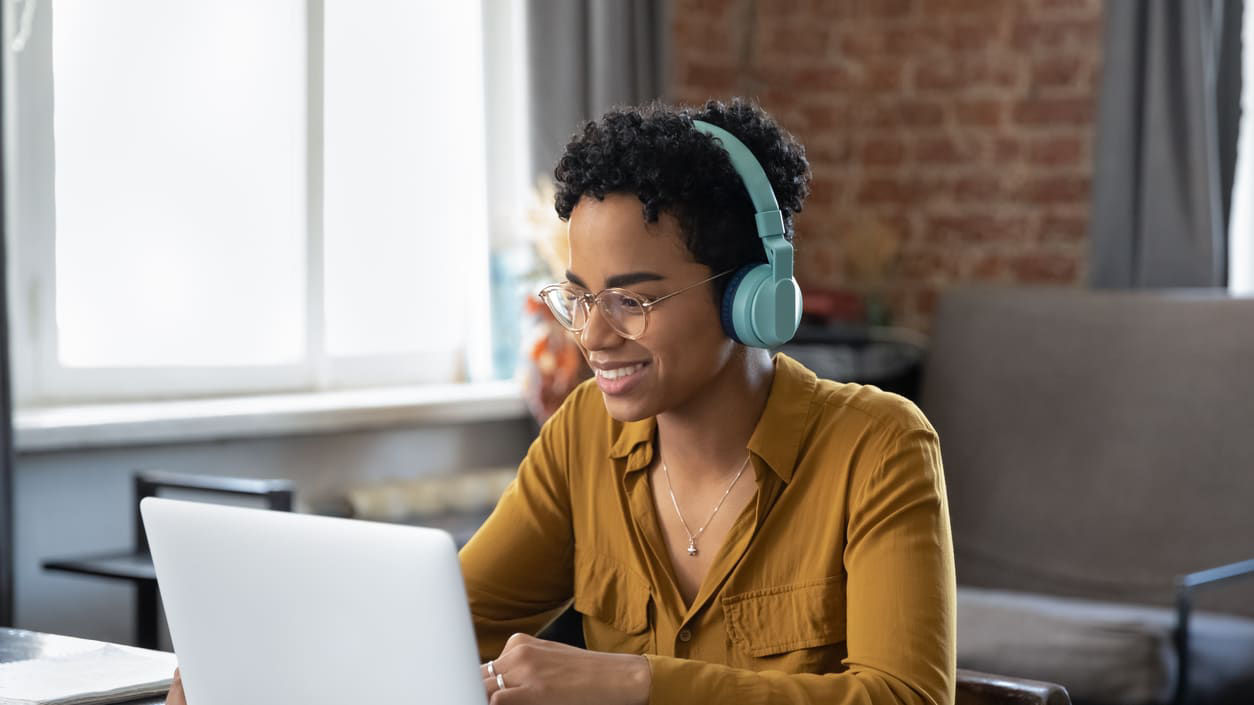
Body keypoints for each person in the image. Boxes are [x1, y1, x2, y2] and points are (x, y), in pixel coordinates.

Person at [163, 98, 955, 705]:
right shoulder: (584, 436)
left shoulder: (878, 447)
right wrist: (248, 666)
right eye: (577, 297)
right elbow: (437, 626)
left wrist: (635, 682)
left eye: (632, 300)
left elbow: (904, 696)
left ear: (754, 298)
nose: (594, 336)